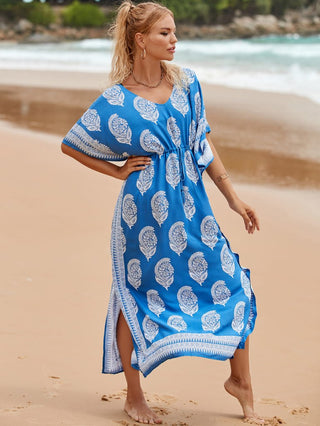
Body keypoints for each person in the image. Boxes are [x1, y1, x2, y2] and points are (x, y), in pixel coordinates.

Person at [61, 1, 263, 424]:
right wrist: (117, 171)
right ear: (140, 40)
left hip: (193, 210)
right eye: (165, 33)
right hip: (143, 216)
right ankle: (134, 396)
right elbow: (72, 144)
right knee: (133, 297)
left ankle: (240, 380)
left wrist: (233, 198)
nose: (175, 40)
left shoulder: (187, 83)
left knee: (230, 281)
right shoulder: (117, 101)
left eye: (174, 32)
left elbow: (201, 146)